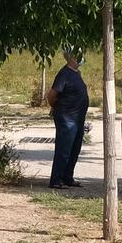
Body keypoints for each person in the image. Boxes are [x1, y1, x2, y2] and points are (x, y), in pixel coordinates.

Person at [46, 48, 88, 190]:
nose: (82, 58)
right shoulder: (64, 74)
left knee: (75, 149)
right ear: (71, 57)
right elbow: (51, 95)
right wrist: (57, 108)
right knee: (64, 149)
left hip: (78, 118)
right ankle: (56, 180)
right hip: (67, 118)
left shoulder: (77, 73)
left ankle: (67, 177)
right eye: (79, 55)